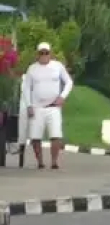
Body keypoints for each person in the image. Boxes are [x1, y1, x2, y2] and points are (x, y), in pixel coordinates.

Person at [21, 42, 73, 170]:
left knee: (56, 135)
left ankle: (54, 161)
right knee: (35, 137)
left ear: (50, 54)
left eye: (46, 53)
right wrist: (29, 105)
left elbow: (68, 82)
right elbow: (26, 88)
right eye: (41, 53)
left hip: (53, 107)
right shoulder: (32, 69)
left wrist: (62, 96)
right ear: (37, 55)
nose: (44, 55)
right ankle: (40, 162)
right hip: (37, 107)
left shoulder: (57, 66)